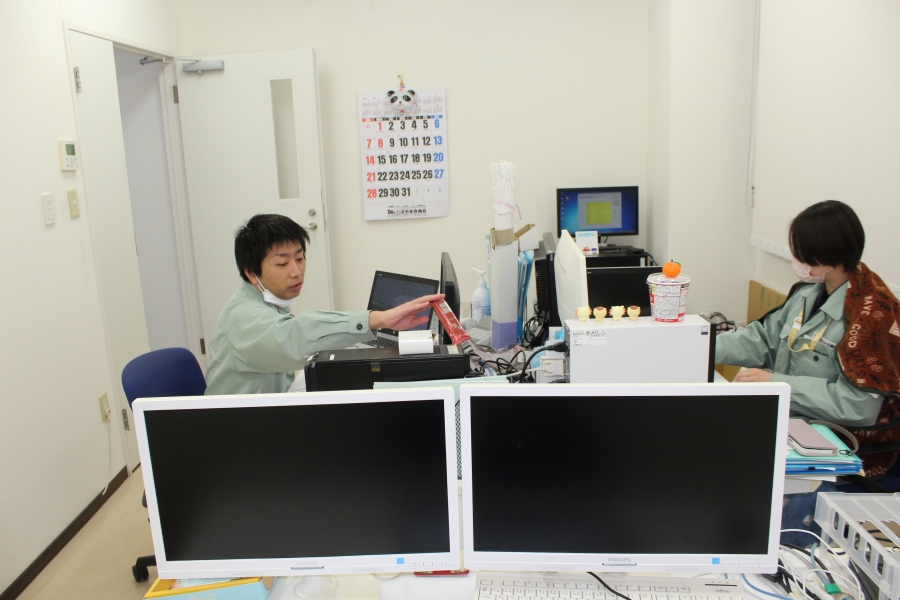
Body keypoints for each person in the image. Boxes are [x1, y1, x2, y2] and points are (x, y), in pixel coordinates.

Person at [205, 214, 443, 395]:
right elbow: (293, 337)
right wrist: (376, 319)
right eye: (282, 264)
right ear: (251, 272)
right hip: (239, 431)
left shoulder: (267, 301)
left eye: (300, 258)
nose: (296, 271)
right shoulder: (242, 315)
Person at [716, 200, 895, 426]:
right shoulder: (808, 292)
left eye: (802, 252)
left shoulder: (871, 317)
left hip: (833, 432)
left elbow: (858, 406)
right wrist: (706, 347)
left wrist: (777, 383)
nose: (796, 259)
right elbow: (764, 340)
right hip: (789, 416)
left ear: (829, 252)